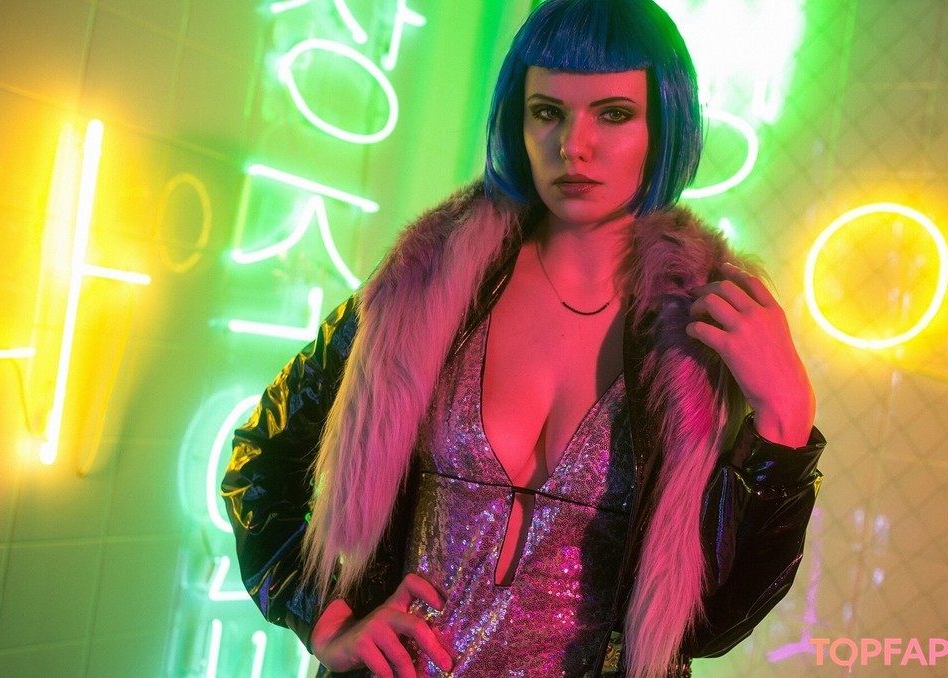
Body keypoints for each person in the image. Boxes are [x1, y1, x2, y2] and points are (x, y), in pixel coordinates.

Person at [222, 0, 825, 676]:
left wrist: (786, 423)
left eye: (613, 114)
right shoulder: (426, 288)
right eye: (548, 111)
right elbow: (259, 461)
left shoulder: (697, 342)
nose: (574, 145)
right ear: (519, 118)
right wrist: (323, 616)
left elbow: (708, 625)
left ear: (665, 124)